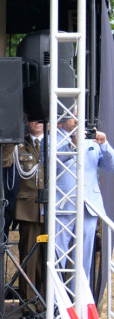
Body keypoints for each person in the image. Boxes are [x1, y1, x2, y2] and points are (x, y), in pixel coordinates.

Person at [54, 112, 114, 282]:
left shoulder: (93, 140)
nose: (78, 119)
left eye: (81, 115)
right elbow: (50, 163)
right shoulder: (53, 137)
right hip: (63, 205)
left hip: (89, 206)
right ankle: (58, 304)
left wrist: (104, 145)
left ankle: (80, 300)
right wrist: (72, 144)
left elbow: (111, 166)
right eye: (73, 115)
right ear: (63, 117)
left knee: (85, 257)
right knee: (59, 256)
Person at [3, 118, 47, 318]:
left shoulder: (58, 142)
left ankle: (48, 302)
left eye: (41, 120)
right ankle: (29, 304)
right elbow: (4, 162)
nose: (37, 123)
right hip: (28, 208)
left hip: (54, 208)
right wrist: (11, 138)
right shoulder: (20, 144)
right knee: (29, 257)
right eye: (33, 120)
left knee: (50, 259)